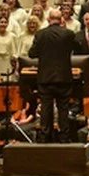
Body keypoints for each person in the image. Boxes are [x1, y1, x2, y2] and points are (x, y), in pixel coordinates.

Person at [27, 10, 78, 138]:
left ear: (49, 19)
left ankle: (45, 137)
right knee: (63, 109)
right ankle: (64, 138)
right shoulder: (68, 34)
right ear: (61, 20)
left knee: (46, 109)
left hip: (45, 78)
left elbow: (32, 54)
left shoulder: (40, 34)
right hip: (64, 77)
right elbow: (79, 48)